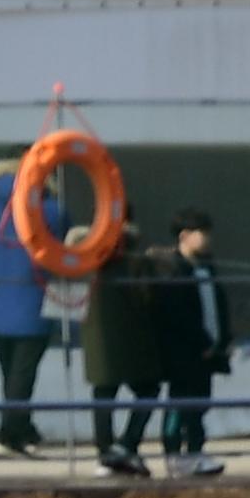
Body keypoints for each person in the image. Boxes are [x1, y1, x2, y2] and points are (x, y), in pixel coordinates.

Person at [0, 156, 55, 457]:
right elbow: (69, 255)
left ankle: (22, 430)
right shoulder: (51, 210)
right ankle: (7, 435)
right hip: (37, 304)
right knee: (23, 374)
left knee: (10, 373)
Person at [82, 204, 165, 478]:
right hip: (133, 340)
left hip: (98, 340)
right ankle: (127, 444)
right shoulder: (138, 260)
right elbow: (149, 299)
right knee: (148, 390)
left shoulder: (85, 253)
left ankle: (105, 452)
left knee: (103, 394)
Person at [157, 209, 230, 475]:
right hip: (185, 352)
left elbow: (218, 305)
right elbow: (179, 315)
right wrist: (201, 342)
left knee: (200, 404)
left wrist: (223, 340)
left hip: (208, 351)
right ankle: (175, 454)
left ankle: (196, 452)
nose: (208, 239)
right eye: (203, 233)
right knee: (180, 403)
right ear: (184, 236)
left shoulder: (207, 267)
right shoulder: (173, 269)